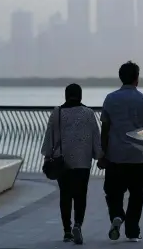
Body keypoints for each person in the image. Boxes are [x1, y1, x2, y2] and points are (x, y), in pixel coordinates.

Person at [98, 61, 143, 242]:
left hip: (115, 156)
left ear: (120, 77)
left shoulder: (110, 98)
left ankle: (117, 215)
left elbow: (105, 128)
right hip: (138, 157)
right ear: (137, 79)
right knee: (136, 197)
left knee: (112, 192)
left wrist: (102, 154)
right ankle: (132, 232)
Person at [41, 83, 102, 245]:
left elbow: (49, 137)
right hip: (82, 161)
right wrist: (100, 156)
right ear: (80, 96)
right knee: (81, 195)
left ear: (66, 95)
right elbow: (96, 136)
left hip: (63, 161)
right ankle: (78, 225)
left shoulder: (57, 113)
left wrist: (47, 157)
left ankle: (67, 231)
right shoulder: (88, 113)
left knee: (65, 195)